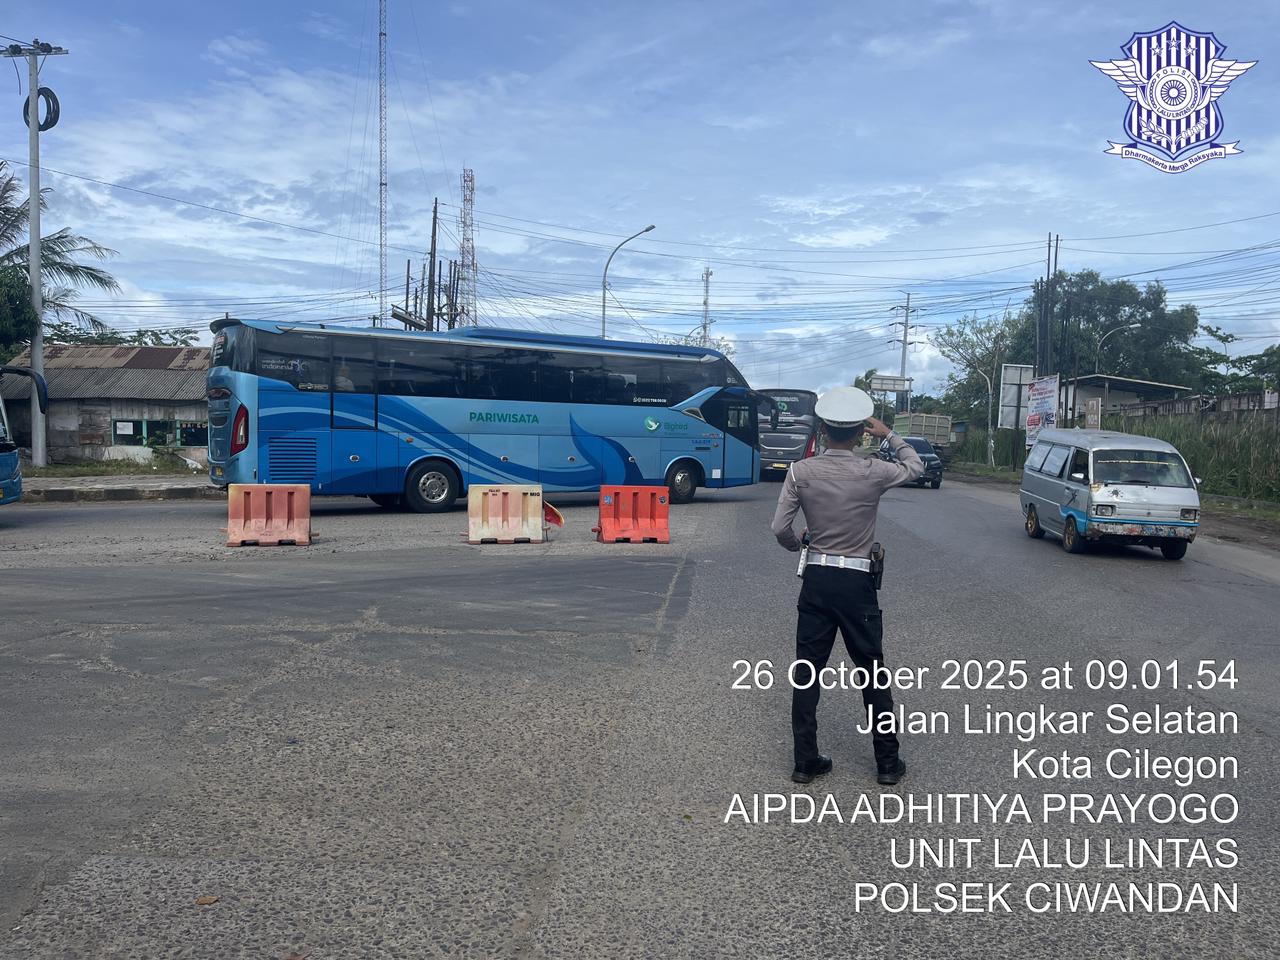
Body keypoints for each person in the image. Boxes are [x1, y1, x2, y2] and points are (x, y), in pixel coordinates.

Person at [770, 386, 924, 786]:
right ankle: (887, 763)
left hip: (817, 579)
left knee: (807, 672)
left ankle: (805, 761)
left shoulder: (800, 472)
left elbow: (780, 528)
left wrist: (798, 545)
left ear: (822, 430)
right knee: (872, 673)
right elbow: (915, 467)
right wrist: (889, 434)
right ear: (860, 433)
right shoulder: (874, 471)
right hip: (857, 583)